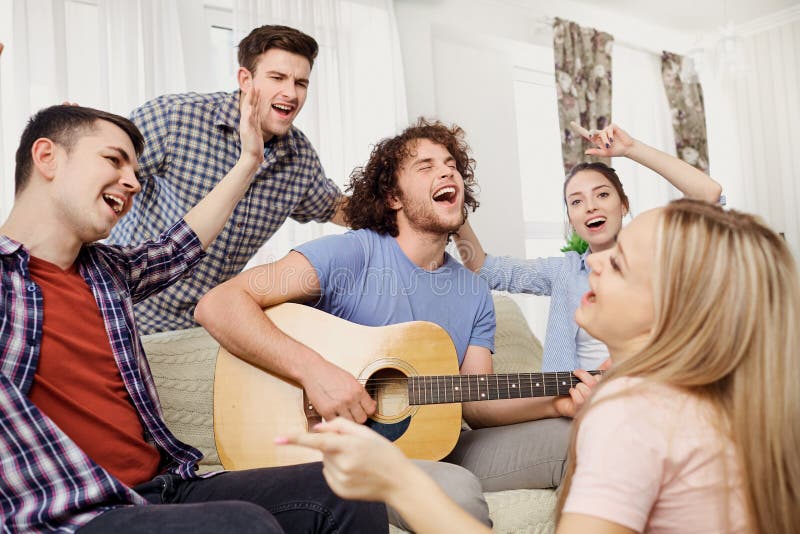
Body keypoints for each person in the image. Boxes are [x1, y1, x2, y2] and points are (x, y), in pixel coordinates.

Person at [286, 199, 800, 534]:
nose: (594, 259)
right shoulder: (704, 405)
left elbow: (475, 400)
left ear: (675, 311)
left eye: (619, 263)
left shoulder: (634, 413)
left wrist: (397, 480)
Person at [0, 103, 386, 533]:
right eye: (113, 159)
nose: (132, 181)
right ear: (47, 157)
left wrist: (249, 162)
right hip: (75, 516)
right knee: (242, 526)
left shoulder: (107, 272)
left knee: (351, 485)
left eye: (134, 167)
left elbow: (179, 246)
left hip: (162, 488)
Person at [195, 118, 600, 529]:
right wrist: (315, 372)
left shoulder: (474, 292)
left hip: (438, 445)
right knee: (456, 491)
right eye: (425, 166)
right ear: (392, 197)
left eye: (451, 165)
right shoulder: (351, 255)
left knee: (586, 436)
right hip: (343, 451)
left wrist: (557, 403)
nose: (446, 172)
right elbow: (218, 304)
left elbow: (476, 402)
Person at [108, 24, 349, 335]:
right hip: (126, 312)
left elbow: (338, 208)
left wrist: (403, 207)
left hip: (203, 329)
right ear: (245, 80)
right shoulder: (175, 118)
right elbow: (106, 168)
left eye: (300, 83)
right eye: (277, 78)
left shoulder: (299, 159)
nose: (291, 93)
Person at [455, 123, 723, 371]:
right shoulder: (563, 272)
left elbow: (708, 195)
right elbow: (483, 268)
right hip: (573, 411)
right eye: (576, 202)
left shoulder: (655, 257)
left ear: (624, 204)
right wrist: (454, 210)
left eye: (603, 194)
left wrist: (631, 149)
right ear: (571, 219)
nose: (591, 206)